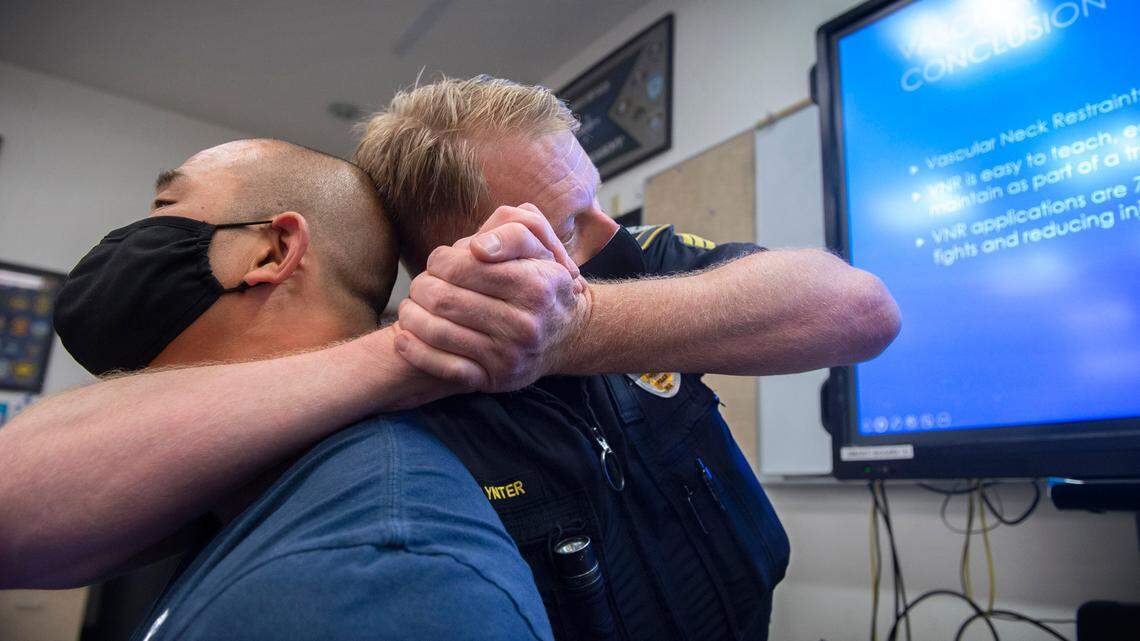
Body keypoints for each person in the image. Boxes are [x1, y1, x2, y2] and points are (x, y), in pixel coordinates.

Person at [0, 80, 899, 640]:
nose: (609, 232)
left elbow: (859, 311)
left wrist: (568, 329)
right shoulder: (392, 400)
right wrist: (422, 356)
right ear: (456, 256)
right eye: (567, 220)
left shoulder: (629, 262)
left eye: (593, 199)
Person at [45, 138, 555, 640]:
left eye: (163, 205)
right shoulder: (231, 485)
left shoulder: (378, 571)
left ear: (274, 250)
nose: (132, 236)